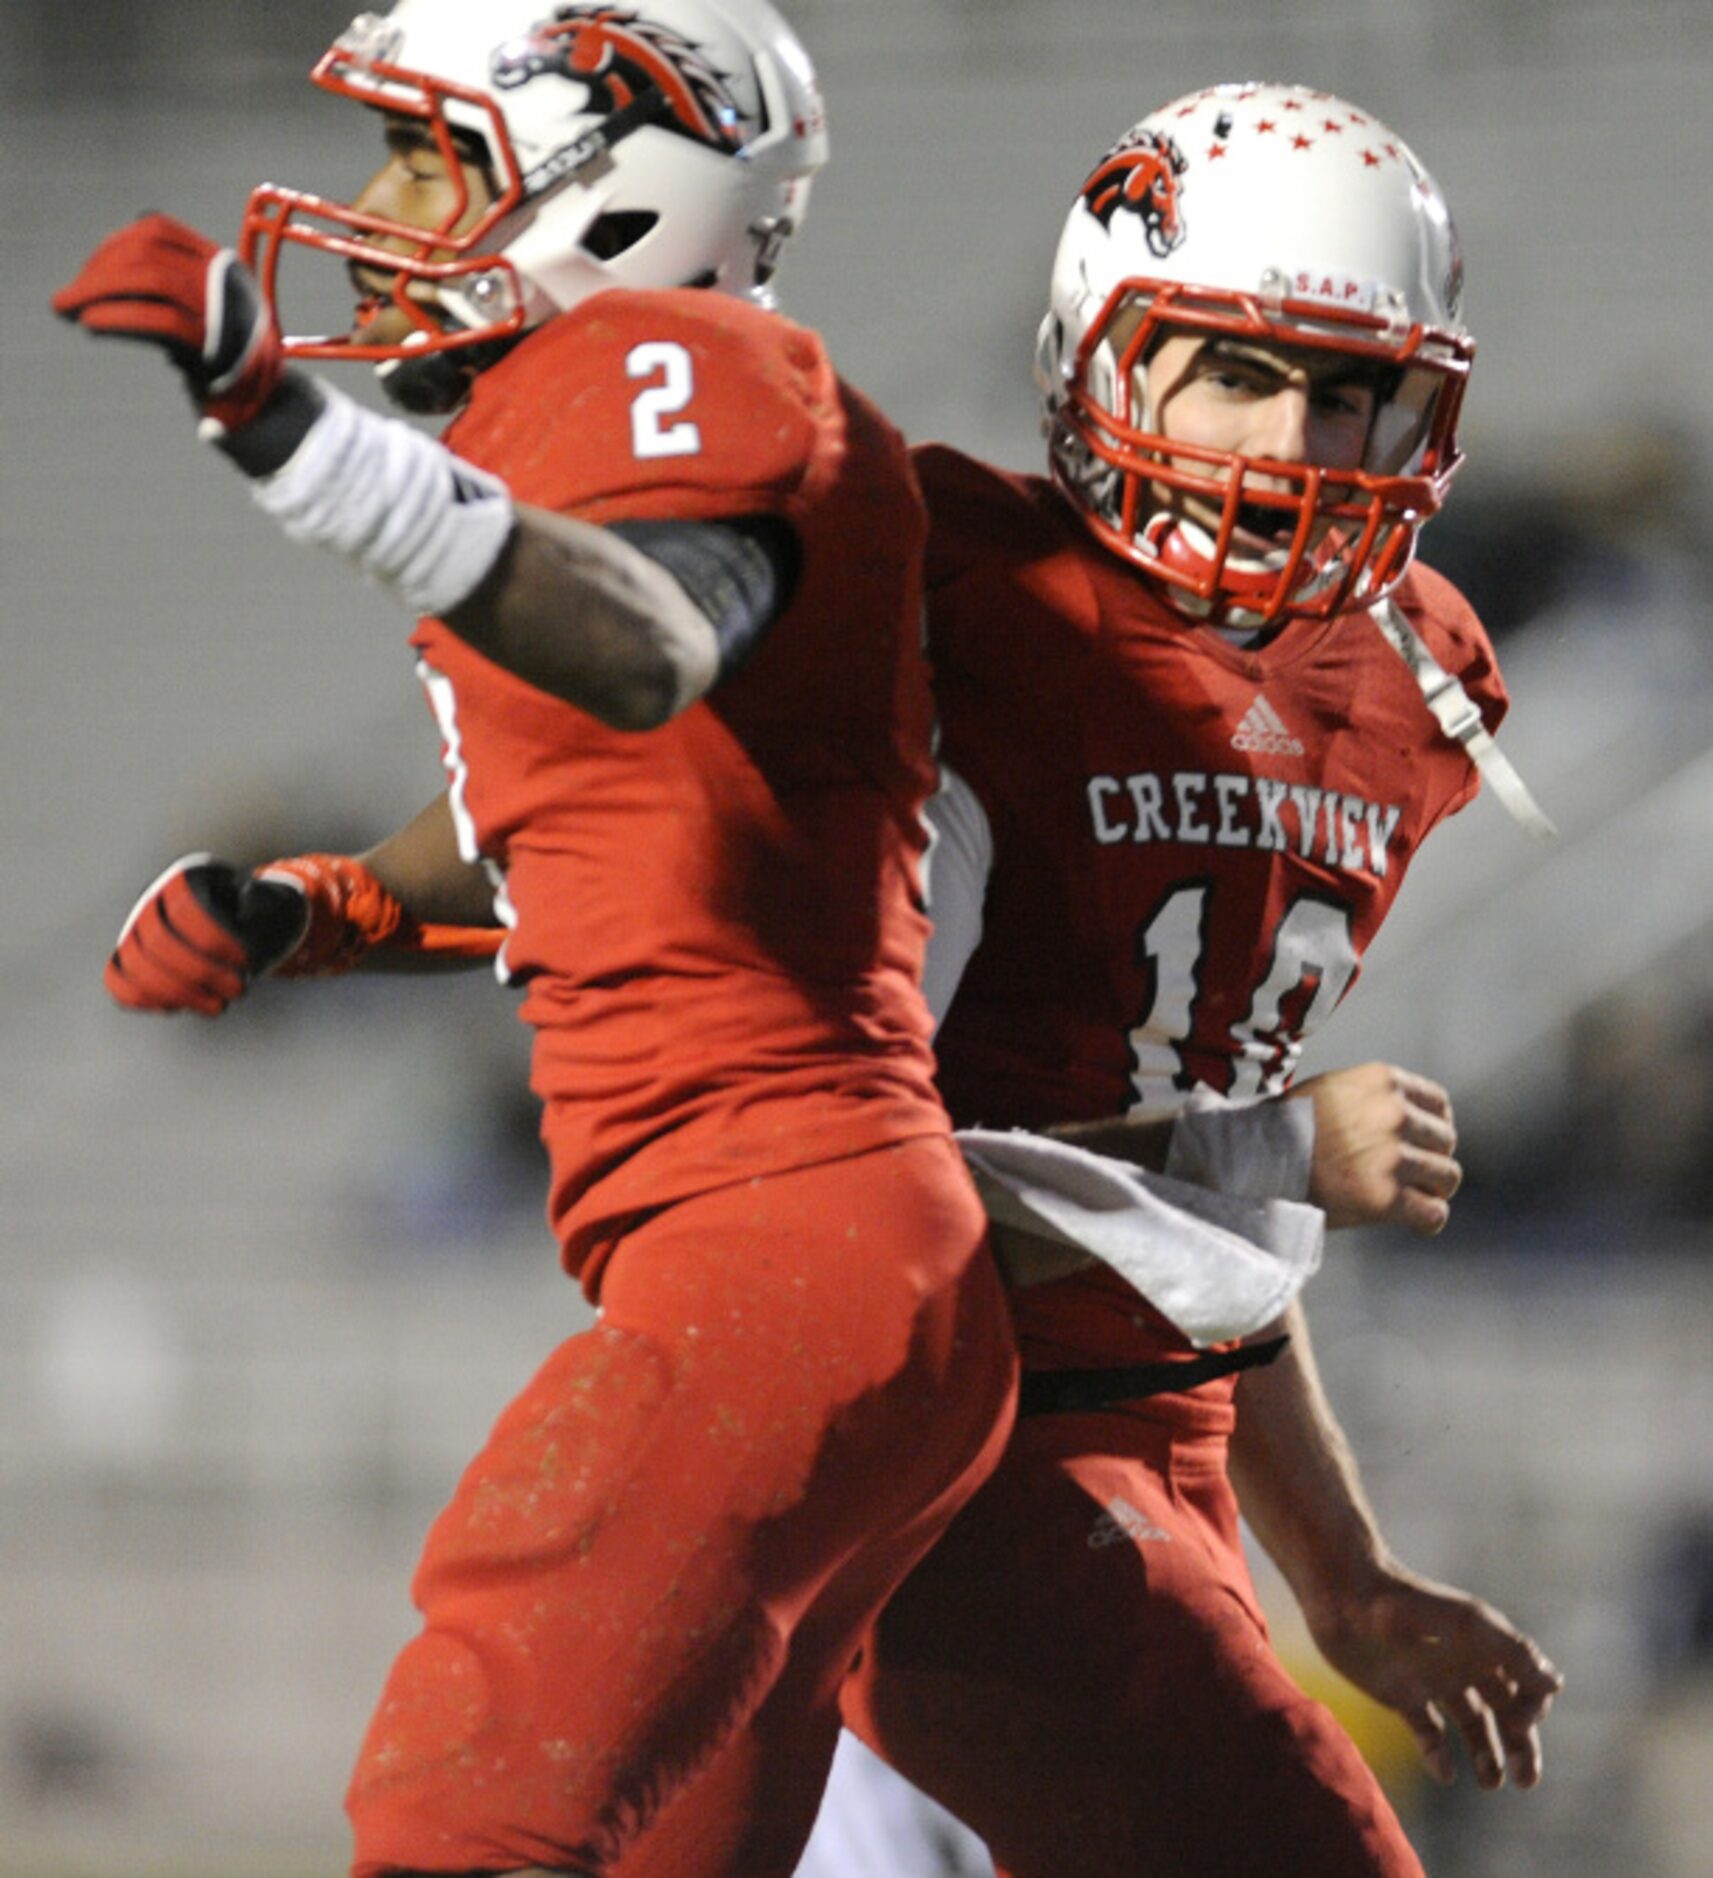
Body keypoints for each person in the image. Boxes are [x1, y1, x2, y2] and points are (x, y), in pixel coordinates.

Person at [75, 60, 1564, 1878]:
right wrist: (350, 901)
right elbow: (766, 945)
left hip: (1118, 1437)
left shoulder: (1405, 676)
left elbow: (1200, 1210)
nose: (1300, 450)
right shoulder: (956, 577)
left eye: (1356, 394)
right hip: (942, 1430)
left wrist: (1340, 1562)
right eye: (1239, 371)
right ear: (1101, 352)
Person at [54, 5, 1021, 1876]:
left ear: (619, 186)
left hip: (775, 1249)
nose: (369, 207)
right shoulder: (634, 402)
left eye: (428, 157)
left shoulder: (674, 354)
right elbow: (590, 817)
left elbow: (647, 646)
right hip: (849, 1254)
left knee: (461, 1815)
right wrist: (320, 900)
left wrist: (295, 441)